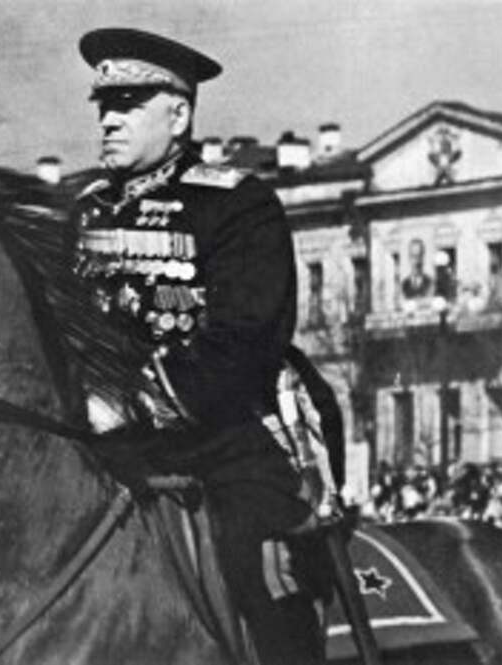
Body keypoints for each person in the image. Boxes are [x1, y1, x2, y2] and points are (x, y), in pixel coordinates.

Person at [72, 27, 326, 665]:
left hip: (219, 438)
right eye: (104, 107)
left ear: (179, 116)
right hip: (98, 445)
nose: (108, 121)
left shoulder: (235, 204)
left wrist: (130, 403)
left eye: (128, 105)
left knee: (263, 561)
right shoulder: (81, 213)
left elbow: (245, 341)